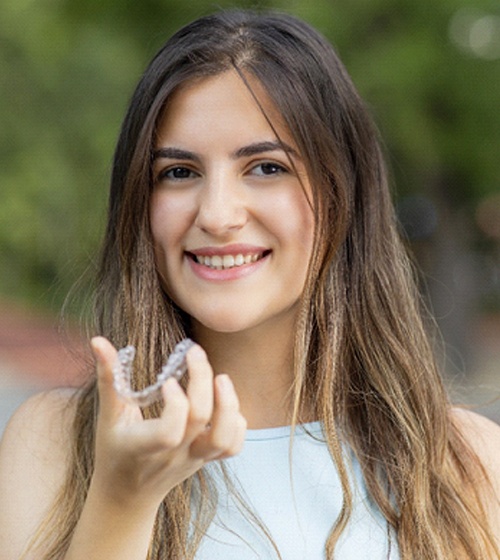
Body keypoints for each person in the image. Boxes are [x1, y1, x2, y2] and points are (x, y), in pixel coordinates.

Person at [0, 8, 499, 560]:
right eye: (179, 172)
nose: (216, 215)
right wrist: (123, 501)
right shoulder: (52, 442)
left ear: (343, 196)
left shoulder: (468, 465)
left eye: (265, 167)